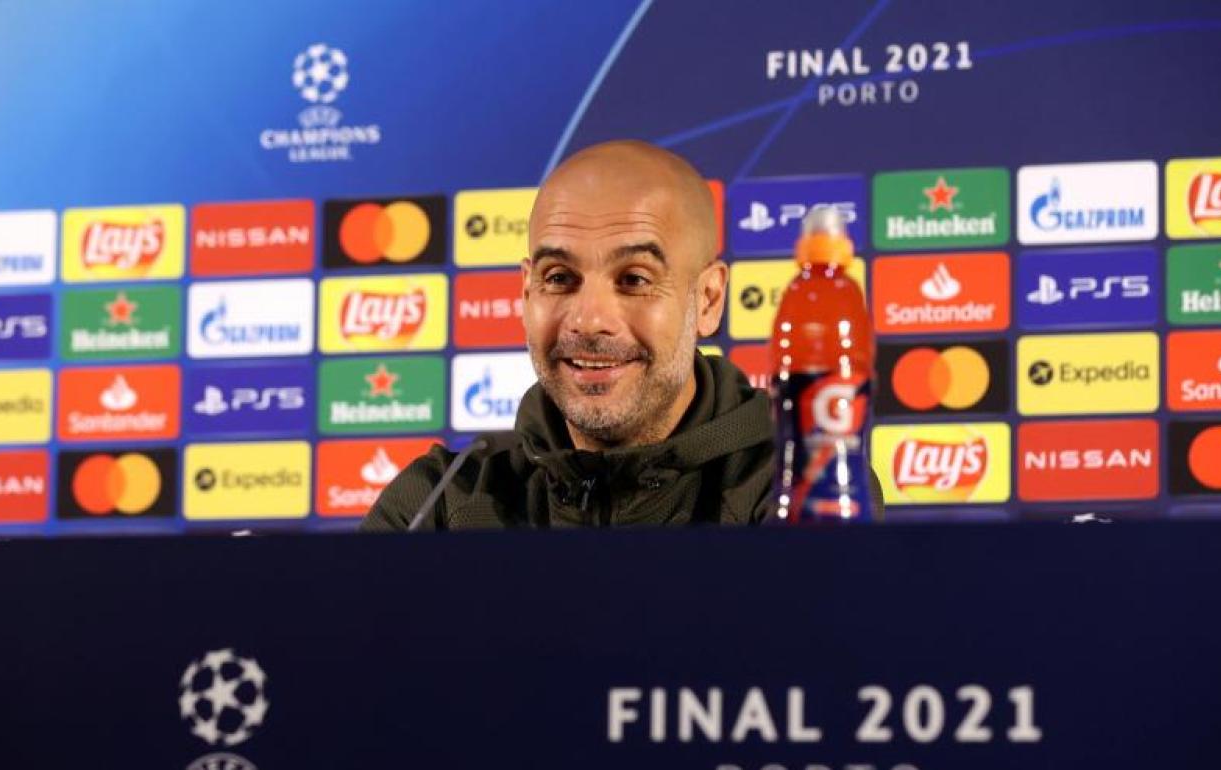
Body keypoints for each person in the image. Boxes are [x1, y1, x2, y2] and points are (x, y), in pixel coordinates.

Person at [361, 140, 878, 531]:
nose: (589, 320)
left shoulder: (800, 491)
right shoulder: (440, 504)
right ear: (525, 292)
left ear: (709, 300)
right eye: (560, 278)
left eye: (634, 280)